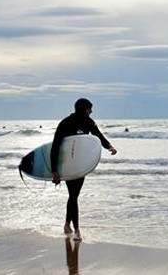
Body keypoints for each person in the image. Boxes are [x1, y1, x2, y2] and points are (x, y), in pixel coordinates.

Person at [51, 98, 117, 241]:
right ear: (83, 109)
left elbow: (98, 135)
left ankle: (67, 224)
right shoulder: (65, 123)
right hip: (68, 164)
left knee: (74, 195)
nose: (91, 111)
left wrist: (109, 146)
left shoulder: (89, 122)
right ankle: (77, 230)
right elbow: (55, 146)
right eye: (89, 109)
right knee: (73, 195)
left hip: (81, 164)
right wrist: (54, 170)